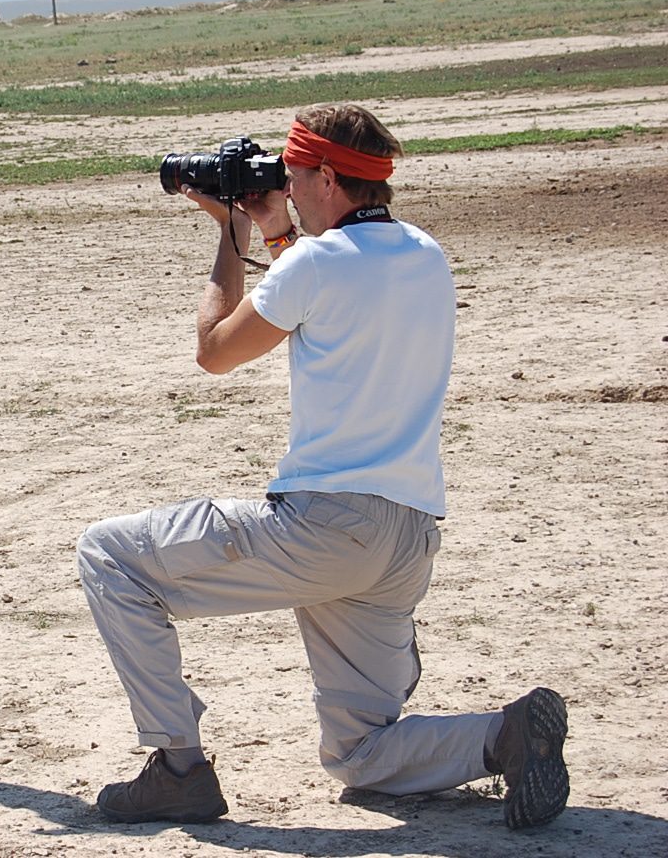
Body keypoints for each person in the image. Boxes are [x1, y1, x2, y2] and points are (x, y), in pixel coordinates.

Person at [75, 104, 569, 829]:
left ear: (330, 175)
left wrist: (230, 233)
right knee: (360, 754)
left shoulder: (315, 261)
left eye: (296, 175)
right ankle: (506, 735)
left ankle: (177, 768)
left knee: (109, 553)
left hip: (327, 527)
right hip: (405, 536)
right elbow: (325, 297)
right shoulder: (424, 253)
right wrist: (276, 227)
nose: (288, 186)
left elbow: (215, 353)